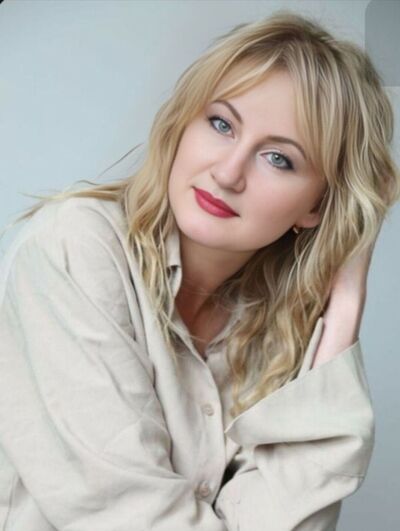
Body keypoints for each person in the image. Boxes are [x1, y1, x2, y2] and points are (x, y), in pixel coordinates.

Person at [0, 9, 399, 531]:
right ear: (184, 122)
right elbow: (126, 515)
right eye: (221, 124)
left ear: (317, 207)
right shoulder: (75, 248)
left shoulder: (281, 330)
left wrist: (345, 306)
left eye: (278, 159)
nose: (228, 173)